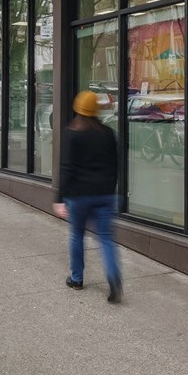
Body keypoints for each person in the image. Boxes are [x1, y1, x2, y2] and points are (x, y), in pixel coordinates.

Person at [52, 90, 122, 303]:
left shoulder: (71, 133)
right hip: (105, 195)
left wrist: (59, 198)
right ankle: (113, 277)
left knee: (77, 236)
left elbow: (66, 169)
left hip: (79, 196)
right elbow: (115, 166)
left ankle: (77, 279)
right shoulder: (108, 133)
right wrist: (110, 188)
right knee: (107, 238)